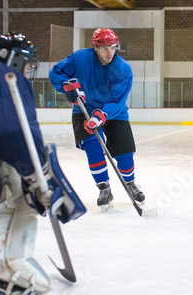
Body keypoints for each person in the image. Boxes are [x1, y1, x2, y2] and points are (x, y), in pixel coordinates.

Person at [0, 32, 85, 295]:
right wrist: (34, 173)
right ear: (14, 60)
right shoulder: (3, 76)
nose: (28, 72)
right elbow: (13, 129)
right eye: (28, 66)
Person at [49, 28, 145, 210]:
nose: (109, 52)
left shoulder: (122, 68)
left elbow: (118, 99)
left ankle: (130, 183)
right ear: (95, 48)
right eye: (104, 48)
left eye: (112, 47)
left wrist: (101, 115)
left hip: (114, 113)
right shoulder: (79, 59)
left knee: (124, 152)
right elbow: (56, 72)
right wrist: (66, 86)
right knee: (93, 148)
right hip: (83, 110)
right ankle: (104, 188)